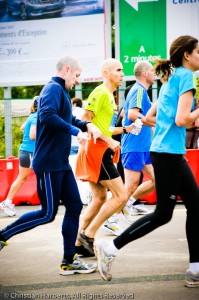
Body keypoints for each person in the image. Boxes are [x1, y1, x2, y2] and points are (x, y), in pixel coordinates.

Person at [95, 35, 199, 288]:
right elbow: (182, 120)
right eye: (198, 51)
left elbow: (149, 117)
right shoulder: (185, 77)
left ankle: (195, 269)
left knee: (196, 206)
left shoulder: (169, 80)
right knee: (163, 214)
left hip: (167, 152)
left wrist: (171, 124)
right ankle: (111, 246)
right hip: (168, 154)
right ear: (186, 54)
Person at [0, 56, 102, 275]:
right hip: (47, 163)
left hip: (60, 162)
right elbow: (46, 116)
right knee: (47, 213)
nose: (77, 80)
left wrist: (86, 125)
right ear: (67, 70)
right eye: (76, 75)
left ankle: (69, 261)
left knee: (75, 206)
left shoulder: (61, 90)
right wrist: (77, 133)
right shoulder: (52, 88)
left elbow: (68, 118)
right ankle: (2, 236)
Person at [75, 58, 139, 256]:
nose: (122, 74)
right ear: (106, 73)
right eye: (118, 70)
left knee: (100, 198)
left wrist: (124, 130)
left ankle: (77, 243)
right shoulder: (100, 92)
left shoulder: (110, 95)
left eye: (122, 71)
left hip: (102, 149)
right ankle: (89, 235)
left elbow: (105, 127)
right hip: (97, 151)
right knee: (121, 195)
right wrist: (107, 140)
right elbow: (84, 121)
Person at [120, 61, 156, 224]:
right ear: (145, 73)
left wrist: (153, 123)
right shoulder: (138, 90)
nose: (155, 73)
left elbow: (131, 114)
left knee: (158, 179)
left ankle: (128, 204)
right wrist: (153, 121)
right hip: (134, 145)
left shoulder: (142, 92)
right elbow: (133, 114)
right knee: (130, 185)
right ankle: (110, 217)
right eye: (153, 70)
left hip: (144, 146)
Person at [0, 96, 38, 217]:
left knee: (22, 178)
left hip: (25, 150)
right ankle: (47, 203)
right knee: (40, 175)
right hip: (30, 152)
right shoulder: (37, 116)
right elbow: (33, 135)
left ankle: (7, 202)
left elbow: (22, 128)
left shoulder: (32, 115)